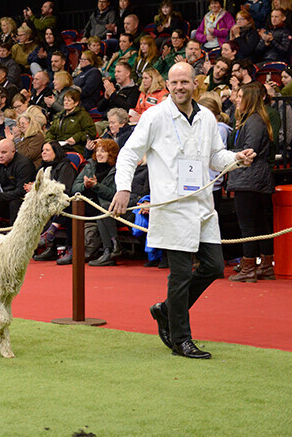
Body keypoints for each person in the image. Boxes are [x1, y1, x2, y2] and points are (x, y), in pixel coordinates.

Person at [110, 62, 256, 359]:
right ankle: (181, 340)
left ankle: (166, 310)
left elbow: (216, 156)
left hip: (202, 206)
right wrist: (123, 188)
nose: (179, 87)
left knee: (214, 267)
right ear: (168, 84)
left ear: (194, 84)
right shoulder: (154, 116)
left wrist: (236, 159)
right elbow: (128, 154)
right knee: (179, 275)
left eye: (185, 82)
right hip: (172, 208)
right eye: (174, 82)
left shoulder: (206, 118)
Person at [227, 83, 275, 282]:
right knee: (259, 223)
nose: (236, 99)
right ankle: (263, 265)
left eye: (240, 96)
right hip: (253, 177)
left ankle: (249, 266)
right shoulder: (253, 120)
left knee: (247, 224)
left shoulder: (253, 121)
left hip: (249, 177)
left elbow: (249, 150)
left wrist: (226, 156)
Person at [73, 139, 120, 266]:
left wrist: (96, 186)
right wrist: (85, 185)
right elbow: (74, 187)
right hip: (89, 204)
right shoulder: (90, 166)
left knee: (103, 210)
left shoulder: (117, 170)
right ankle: (70, 249)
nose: (99, 154)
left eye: (103, 151)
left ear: (111, 154)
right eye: (97, 151)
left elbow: (114, 194)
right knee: (67, 207)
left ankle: (109, 250)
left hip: (108, 205)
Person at [0, 138, 35, 227]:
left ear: (13, 151)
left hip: (22, 200)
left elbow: (21, 192)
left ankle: (13, 237)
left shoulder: (24, 164)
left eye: (4, 152)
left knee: (14, 204)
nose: (0, 155)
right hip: (5, 198)